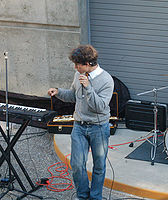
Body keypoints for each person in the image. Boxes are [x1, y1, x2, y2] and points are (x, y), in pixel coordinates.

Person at [48, 44, 114, 200]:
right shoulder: (79, 75)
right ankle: (82, 196)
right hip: (79, 126)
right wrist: (58, 92)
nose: (75, 67)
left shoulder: (107, 80)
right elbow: (72, 96)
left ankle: (96, 197)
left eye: (78, 64)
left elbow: (100, 107)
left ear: (88, 63)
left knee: (99, 166)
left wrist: (89, 87)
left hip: (98, 127)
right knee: (77, 165)